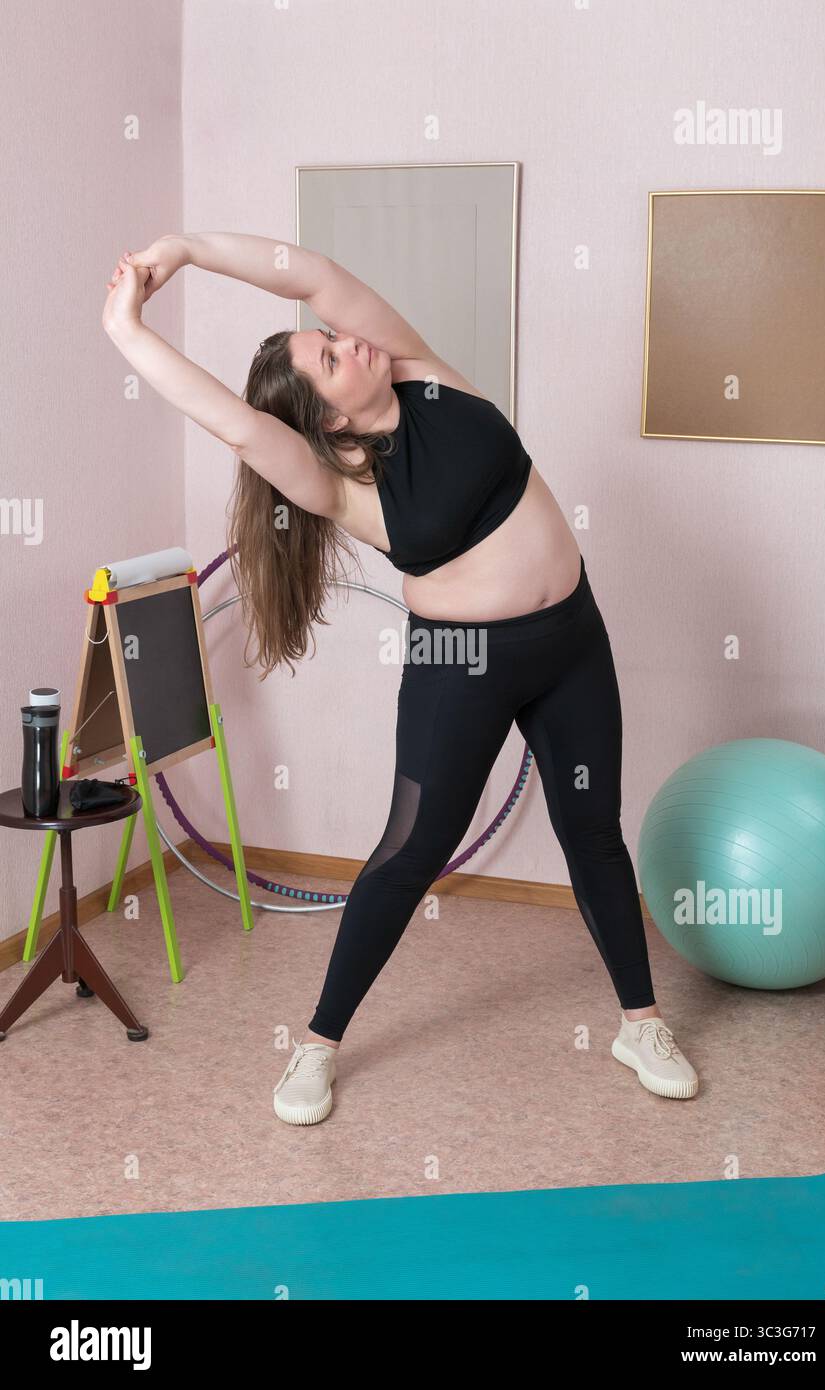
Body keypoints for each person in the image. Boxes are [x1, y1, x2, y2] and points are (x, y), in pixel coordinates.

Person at [102, 233, 699, 1125]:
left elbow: (307, 272)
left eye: (333, 336)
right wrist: (126, 327)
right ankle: (316, 1045)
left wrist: (187, 247)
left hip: (572, 639)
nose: (348, 339)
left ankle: (639, 1024)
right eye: (331, 357)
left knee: (593, 832)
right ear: (329, 421)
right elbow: (230, 418)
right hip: (460, 668)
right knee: (409, 853)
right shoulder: (332, 487)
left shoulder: (426, 372)